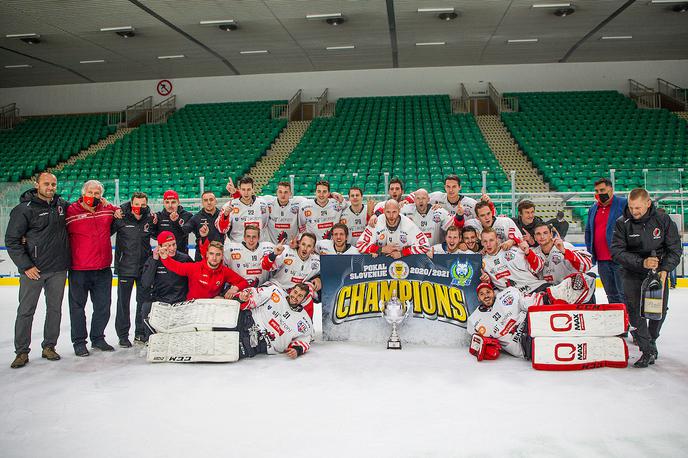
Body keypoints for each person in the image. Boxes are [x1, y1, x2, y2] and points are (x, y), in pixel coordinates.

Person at [611, 188, 682, 368]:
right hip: (632, 272)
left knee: (658, 310)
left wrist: (665, 269)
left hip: (659, 273)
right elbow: (617, 252)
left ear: (648, 203)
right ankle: (646, 349)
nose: (634, 212)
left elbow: (675, 249)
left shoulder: (663, 220)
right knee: (634, 311)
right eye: (631, 207)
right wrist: (642, 262)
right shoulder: (622, 223)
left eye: (638, 208)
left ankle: (651, 340)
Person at [5, 173, 70, 368]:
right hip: (33, 271)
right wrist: (26, 266)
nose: (50, 187)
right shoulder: (24, 209)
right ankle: (22, 351)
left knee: (54, 310)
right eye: (46, 184)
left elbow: (84, 209)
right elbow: (12, 241)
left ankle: (49, 346)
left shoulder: (62, 206)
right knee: (26, 311)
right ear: (37, 185)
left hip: (58, 269)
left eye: (53, 184)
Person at [467, 275, 596, 360]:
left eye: (488, 292)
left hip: (532, 322)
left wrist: (545, 298)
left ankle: (580, 290)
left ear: (493, 293)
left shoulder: (506, 295)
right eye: (482, 294)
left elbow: (525, 302)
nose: (486, 296)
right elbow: (476, 344)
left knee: (549, 297)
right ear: (478, 298)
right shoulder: (475, 320)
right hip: (524, 344)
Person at [66, 179, 119, 357]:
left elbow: (121, 211)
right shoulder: (70, 211)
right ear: (83, 193)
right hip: (79, 269)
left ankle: (98, 338)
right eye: (90, 193)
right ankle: (79, 342)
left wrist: (111, 205)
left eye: (97, 194)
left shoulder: (106, 209)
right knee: (77, 307)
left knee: (103, 306)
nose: (93, 196)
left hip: (103, 268)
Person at [111, 193, 155, 347]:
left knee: (142, 303)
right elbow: (105, 232)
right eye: (136, 204)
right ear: (131, 203)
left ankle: (140, 333)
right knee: (123, 303)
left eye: (143, 205)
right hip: (125, 268)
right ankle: (123, 335)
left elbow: (157, 235)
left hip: (144, 268)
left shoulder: (149, 218)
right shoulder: (121, 217)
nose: (139, 207)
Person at [140, 231, 193, 341]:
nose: (172, 248)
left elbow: (194, 279)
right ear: (159, 247)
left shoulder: (185, 259)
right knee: (146, 307)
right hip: (161, 301)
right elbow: (146, 284)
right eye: (168, 245)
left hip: (181, 300)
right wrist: (154, 260)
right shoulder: (153, 260)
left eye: (174, 244)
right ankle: (151, 340)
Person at [237, 282, 314, 358]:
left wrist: (297, 350)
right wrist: (245, 299)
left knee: (232, 350)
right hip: (248, 321)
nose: (295, 296)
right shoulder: (275, 291)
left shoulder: (305, 321)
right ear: (291, 290)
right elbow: (255, 296)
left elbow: (304, 339)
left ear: (304, 299)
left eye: (300, 296)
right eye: (295, 292)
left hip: (261, 343)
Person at [585, 178, 627, 305]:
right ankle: (617, 321)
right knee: (611, 295)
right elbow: (588, 231)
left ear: (611, 189)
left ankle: (630, 322)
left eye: (602, 190)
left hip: (619, 259)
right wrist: (590, 252)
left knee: (624, 294)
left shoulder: (623, 204)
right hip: (602, 261)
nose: (599, 193)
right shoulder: (593, 208)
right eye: (597, 191)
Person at [160, 240, 249, 300]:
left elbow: (244, 282)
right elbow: (177, 267)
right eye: (211, 254)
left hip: (211, 306)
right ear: (207, 254)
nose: (214, 258)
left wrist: (235, 288)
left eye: (218, 254)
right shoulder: (195, 268)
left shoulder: (224, 271)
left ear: (222, 256)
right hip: (193, 305)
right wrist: (165, 258)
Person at [480, 227, 546, 294]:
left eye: (491, 240)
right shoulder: (483, 263)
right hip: (514, 298)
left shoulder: (513, 249)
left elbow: (539, 268)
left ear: (497, 239)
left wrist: (528, 252)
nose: (488, 244)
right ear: (481, 242)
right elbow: (491, 290)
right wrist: (487, 281)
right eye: (485, 241)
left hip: (535, 287)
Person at [356, 200, 430, 257]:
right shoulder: (376, 222)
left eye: (394, 212)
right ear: (384, 211)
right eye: (388, 212)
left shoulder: (408, 224)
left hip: (402, 262)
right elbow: (360, 245)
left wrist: (402, 253)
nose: (391, 216)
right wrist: (381, 249)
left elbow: (425, 246)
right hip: (379, 265)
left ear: (399, 211)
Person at [216, 176, 268, 243]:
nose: (246, 193)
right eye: (243, 189)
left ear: (253, 189)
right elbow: (221, 230)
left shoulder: (263, 204)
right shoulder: (230, 206)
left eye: (248, 189)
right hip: (238, 247)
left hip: (258, 246)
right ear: (239, 189)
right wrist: (225, 216)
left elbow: (265, 223)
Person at [183, 190, 223, 261]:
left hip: (219, 254)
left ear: (215, 201)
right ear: (202, 203)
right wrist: (177, 221)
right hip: (201, 255)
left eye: (211, 199)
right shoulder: (196, 217)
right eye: (205, 200)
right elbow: (185, 229)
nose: (209, 202)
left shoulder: (222, 215)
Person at [155, 189, 193, 254]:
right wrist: (152, 223)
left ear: (178, 202)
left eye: (173, 202)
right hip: (164, 255)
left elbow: (186, 231)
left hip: (182, 255)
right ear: (163, 203)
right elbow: (153, 234)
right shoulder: (158, 216)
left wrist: (176, 221)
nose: (170, 205)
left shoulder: (187, 216)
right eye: (167, 202)